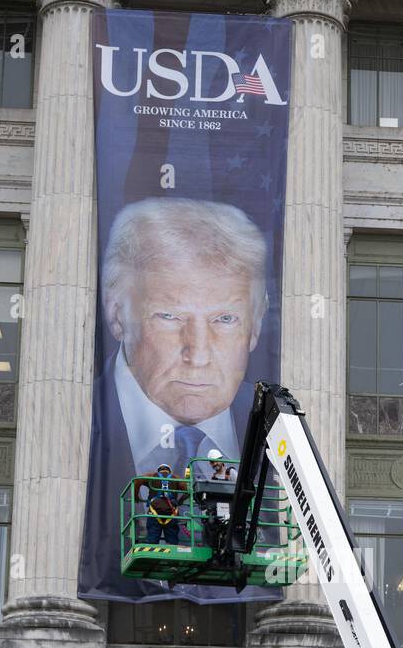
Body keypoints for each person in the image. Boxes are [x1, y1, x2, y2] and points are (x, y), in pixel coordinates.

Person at [79, 197, 270, 600]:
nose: (197, 353)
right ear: (116, 314)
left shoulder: (276, 432)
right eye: (169, 316)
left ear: (256, 324)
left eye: (224, 319)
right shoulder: (75, 415)